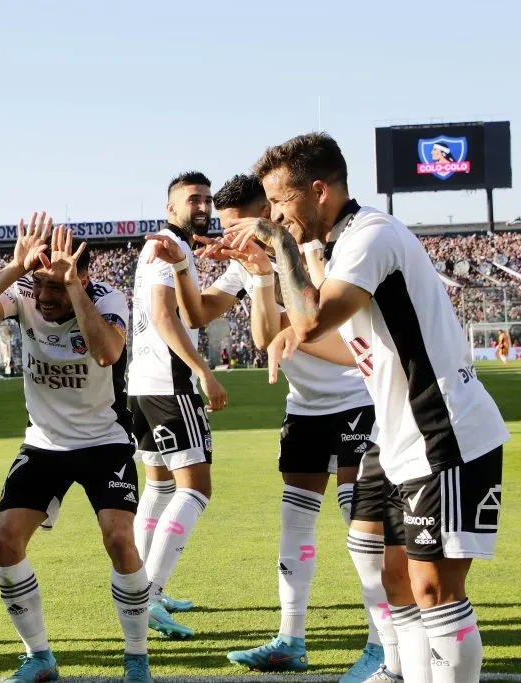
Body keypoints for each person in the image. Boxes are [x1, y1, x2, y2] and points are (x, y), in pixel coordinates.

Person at [224, 132, 509, 683]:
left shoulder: (370, 236)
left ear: (319, 190)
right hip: (396, 435)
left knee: (435, 588)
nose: (275, 215)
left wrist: (278, 248)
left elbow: (310, 318)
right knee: (390, 575)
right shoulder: (343, 243)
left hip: (442, 429)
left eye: (280, 203)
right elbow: (349, 349)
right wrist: (291, 335)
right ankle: (401, 671)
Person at [150, 173, 391, 681]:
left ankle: (381, 646)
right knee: (295, 522)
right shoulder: (250, 263)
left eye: (241, 226)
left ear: (269, 214)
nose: (233, 237)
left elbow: (323, 333)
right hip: (305, 407)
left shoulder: (316, 250)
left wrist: (275, 288)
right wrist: (183, 269)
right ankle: (291, 640)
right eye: (226, 227)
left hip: (354, 399)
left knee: (362, 530)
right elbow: (200, 315)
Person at [0, 216, 153, 683]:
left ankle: (136, 657)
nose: (43, 296)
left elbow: (106, 354)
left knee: (120, 540)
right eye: (39, 284)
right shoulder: (23, 295)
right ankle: (39, 656)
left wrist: (73, 289)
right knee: (5, 539)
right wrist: (15, 267)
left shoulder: (107, 299)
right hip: (44, 442)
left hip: (104, 441)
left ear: (83, 278)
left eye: (55, 287)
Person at [127, 171, 227, 640]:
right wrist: (203, 371)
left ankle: (147, 591)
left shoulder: (166, 247)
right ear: (171, 208)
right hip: (169, 383)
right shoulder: (168, 246)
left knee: (160, 486)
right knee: (196, 488)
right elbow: (167, 316)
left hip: (142, 385)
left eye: (207, 198)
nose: (203, 205)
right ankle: (148, 596)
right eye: (193, 199)